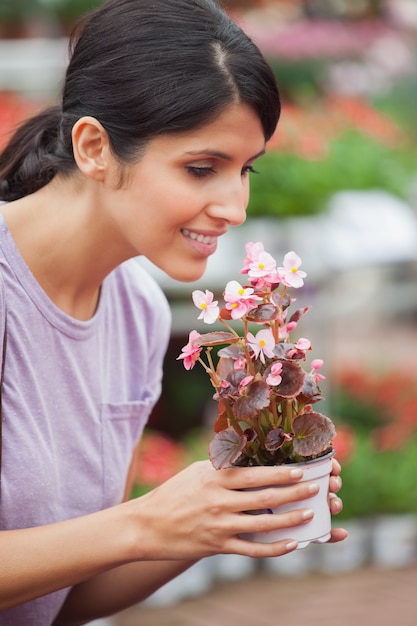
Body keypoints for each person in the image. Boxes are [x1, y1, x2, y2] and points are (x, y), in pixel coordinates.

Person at [0, 0, 347, 623]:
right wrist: (146, 522)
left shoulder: (137, 311)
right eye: (201, 168)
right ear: (94, 148)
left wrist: (216, 514)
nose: (234, 207)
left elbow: (61, 600)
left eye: (245, 170)